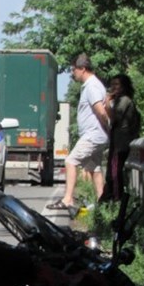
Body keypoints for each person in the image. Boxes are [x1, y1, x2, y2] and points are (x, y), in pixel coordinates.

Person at [47, 53, 110, 218]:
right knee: (94, 168)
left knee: (70, 161)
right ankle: (101, 205)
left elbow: (99, 110)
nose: (72, 73)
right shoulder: (92, 85)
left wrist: (108, 128)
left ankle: (67, 199)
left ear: (82, 69)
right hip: (96, 134)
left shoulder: (92, 86)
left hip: (93, 134)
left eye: (74, 70)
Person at [100, 74, 140, 202]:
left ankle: (117, 200)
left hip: (121, 143)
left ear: (124, 86)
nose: (113, 87)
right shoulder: (119, 100)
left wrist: (106, 103)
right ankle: (111, 198)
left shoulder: (124, 100)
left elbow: (114, 118)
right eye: (112, 85)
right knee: (111, 173)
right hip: (117, 141)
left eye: (117, 84)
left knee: (115, 174)